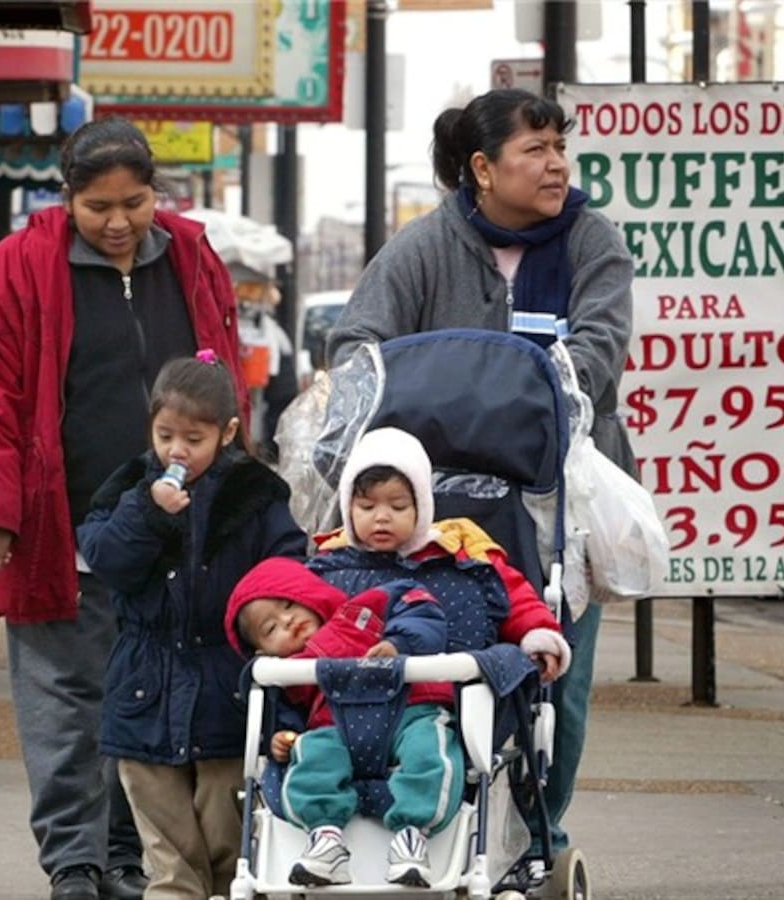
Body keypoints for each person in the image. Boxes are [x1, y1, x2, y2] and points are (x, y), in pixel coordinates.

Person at [325, 88, 636, 883]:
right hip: (430, 508)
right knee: (424, 675)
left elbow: (600, 348)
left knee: (551, 680)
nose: (556, 163)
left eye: (560, 145)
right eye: (534, 149)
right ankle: (420, 824)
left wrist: (523, 396)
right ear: (482, 168)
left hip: (554, 500)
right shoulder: (428, 245)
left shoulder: (593, 240)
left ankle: (541, 832)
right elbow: (358, 342)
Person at [0, 117, 247, 900]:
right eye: (98, 207)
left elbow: (221, 380)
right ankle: (74, 862)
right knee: (62, 697)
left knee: (145, 700)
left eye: (135, 203)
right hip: (63, 525)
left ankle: (127, 857)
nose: (119, 223)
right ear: (66, 197)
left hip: (175, 533)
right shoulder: (12, 271)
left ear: (156, 194)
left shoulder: (192, 257)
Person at [76, 353, 307, 900]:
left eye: (194, 439)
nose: (177, 450)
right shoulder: (132, 487)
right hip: (144, 695)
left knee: (229, 848)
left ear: (227, 433)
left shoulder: (255, 495)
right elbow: (106, 557)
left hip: (226, 694)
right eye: (165, 435)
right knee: (170, 858)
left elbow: (289, 567)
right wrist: (149, 514)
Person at [225, 560, 457, 888]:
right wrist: (282, 737)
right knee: (311, 753)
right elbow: (286, 716)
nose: (287, 621)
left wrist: (400, 644)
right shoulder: (288, 673)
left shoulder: (362, 611)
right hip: (334, 726)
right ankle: (325, 836)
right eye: (271, 628)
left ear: (309, 595)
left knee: (429, 750)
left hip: (410, 708)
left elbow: (419, 605)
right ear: (263, 651)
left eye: (289, 604)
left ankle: (412, 834)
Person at [311, 426, 572, 671]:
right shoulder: (331, 559)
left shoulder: (459, 548)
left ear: (421, 507)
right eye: (367, 507)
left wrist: (536, 634)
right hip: (346, 689)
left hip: (450, 686)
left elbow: (513, 595)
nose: (382, 517)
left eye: (398, 506)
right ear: (348, 509)